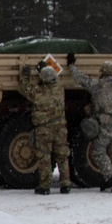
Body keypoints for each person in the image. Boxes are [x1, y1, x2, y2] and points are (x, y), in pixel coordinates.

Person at [67, 53, 112, 192]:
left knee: (98, 152)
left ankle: (111, 176)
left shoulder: (98, 85)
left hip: (103, 124)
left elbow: (81, 79)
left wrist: (71, 66)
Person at [20, 63, 71, 194]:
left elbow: (25, 88)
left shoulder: (37, 92)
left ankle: (45, 186)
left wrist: (26, 75)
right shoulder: (60, 91)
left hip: (44, 130)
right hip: (60, 129)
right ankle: (65, 184)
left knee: (44, 158)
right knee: (62, 157)